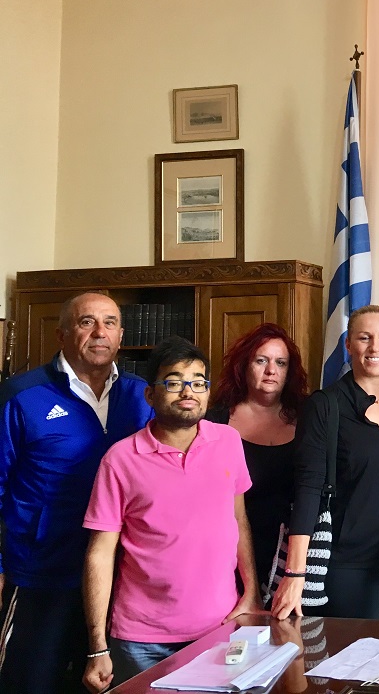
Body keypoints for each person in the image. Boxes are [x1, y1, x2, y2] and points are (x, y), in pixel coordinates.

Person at [81, 337, 259, 693]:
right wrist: (98, 648)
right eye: (174, 382)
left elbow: (238, 521)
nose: (188, 391)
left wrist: (251, 591)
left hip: (220, 628)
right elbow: (100, 554)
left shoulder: (228, 441)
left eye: (198, 382)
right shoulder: (120, 459)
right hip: (142, 641)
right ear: (150, 395)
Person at [0, 292, 152, 694]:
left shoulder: (143, 396)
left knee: (104, 686)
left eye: (110, 322)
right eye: (87, 322)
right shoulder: (22, 395)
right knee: (31, 683)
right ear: (62, 334)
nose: (100, 332)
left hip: (120, 579)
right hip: (41, 574)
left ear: (121, 335)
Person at [270, 305, 379, 621]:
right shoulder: (325, 405)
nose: (375, 347)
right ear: (349, 344)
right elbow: (308, 489)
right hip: (347, 565)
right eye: (364, 338)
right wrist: (295, 573)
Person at [206, 323, 309, 591]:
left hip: (291, 553)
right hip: (230, 550)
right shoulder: (214, 421)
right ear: (244, 366)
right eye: (261, 360)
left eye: (281, 363)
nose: (271, 370)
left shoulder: (308, 419)